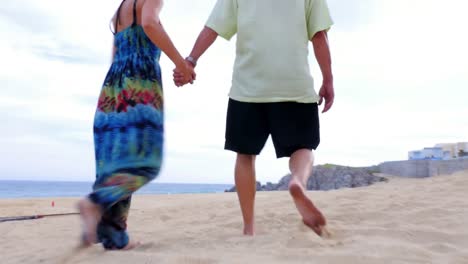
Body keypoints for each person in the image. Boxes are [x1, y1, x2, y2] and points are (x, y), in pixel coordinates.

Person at [174, 0, 334, 236]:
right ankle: (298, 181)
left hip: (248, 87)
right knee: (303, 147)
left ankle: (249, 227)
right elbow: (319, 36)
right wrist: (328, 80)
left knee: (245, 155)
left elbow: (213, 27)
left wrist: (190, 60)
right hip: (294, 85)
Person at [78, 0, 194, 250]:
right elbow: (150, 23)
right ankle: (96, 202)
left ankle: (114, 236)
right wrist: (180, 63)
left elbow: (115, 56)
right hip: (140, 86)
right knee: (146, 163)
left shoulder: (119, 11)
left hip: (113, 87)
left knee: (116, 163)